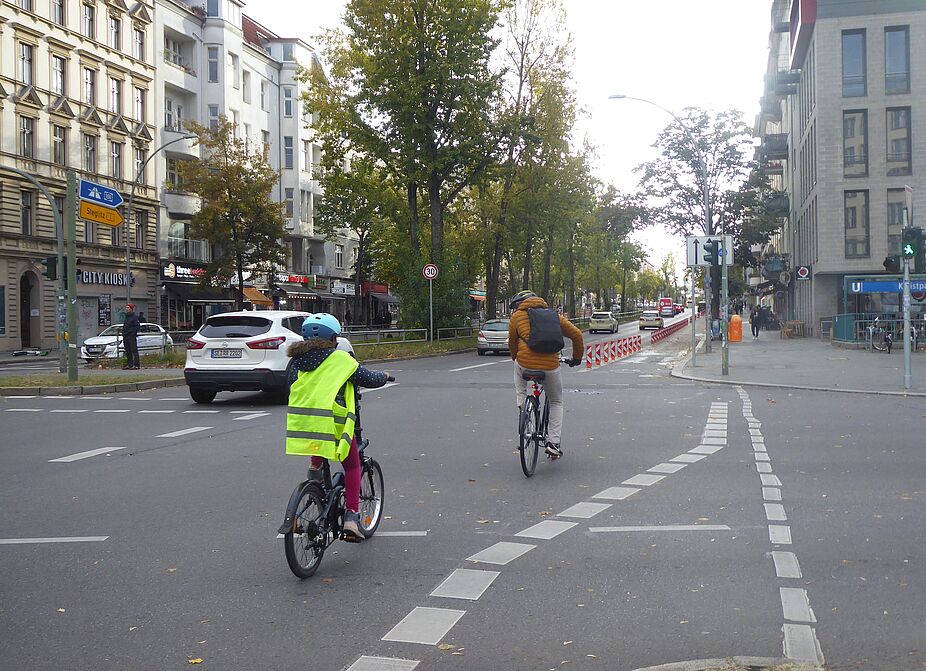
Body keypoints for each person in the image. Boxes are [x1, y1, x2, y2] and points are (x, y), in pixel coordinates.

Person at [285, 313, 392, 541]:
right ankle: (352, 518)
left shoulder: (296, 362)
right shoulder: (341, 360)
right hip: (333, 424)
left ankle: (308, 500)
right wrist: (384, 376)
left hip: (304, 424)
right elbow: (369, 379)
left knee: (318, 461)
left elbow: (295, 387)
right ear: (333, 338)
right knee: (352, 466)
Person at [507, 290, 583, 459]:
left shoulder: (517, 317)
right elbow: (577, 335)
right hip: (550, 366)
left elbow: (512, 343)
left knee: (517, 369)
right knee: (556, 401)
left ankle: (522, 407)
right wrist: (576, 359)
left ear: (520, 304)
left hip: (524, 365)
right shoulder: (554, 316)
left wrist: (516, 358)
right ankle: (553, 443)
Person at [122, 303, 141, 369]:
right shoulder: (126, 317)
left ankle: (136, 365)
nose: (126, 309)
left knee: (134, 350)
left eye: (128, 308)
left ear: (131, 309)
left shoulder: (134, 317)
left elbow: (137, 327)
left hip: (131, 336)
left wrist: (132, 333)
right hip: (125, 336)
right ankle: (129, 364)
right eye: (126, 307)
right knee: (128, 351)